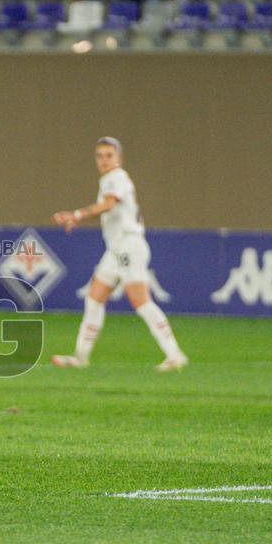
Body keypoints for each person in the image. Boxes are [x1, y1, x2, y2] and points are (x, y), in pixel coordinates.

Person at [51, 137, 188, 371]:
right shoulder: (110, 179)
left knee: (140, 300)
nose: (104, 160)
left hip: (128, 245)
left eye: (109, 155)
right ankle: (81, 356)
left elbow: (108, 204)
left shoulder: (116, 178)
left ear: (119, 158)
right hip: (116, 249)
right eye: (100, 156)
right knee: (94, 298)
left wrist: (76, 214)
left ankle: (175, 355)